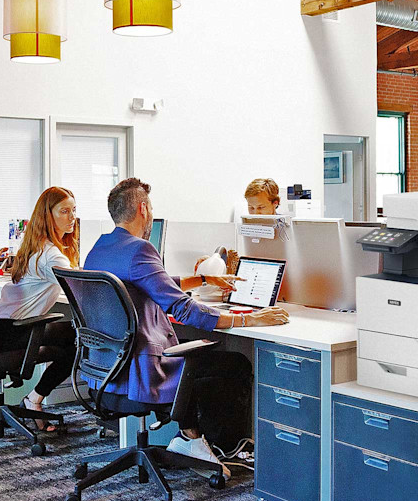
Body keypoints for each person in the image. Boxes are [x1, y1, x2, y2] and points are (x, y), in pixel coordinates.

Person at [85, 178, 289, 475]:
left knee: (206, 360)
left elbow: (152, 284)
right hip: (142, 370)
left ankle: (191, 437)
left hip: (108, 367)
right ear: (143, 209)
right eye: (151, 208)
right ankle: (212, 443)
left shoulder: (99, 249)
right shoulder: (139, 249)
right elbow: (183, 309)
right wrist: (251, 318)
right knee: (233, 363)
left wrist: (203, 280)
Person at [0, 187, 81, 433]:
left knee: (70, 339)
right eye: (64, 211)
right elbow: (83, 290)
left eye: (73, 210)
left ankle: (35, 399)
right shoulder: (51, 256)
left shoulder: (35, 246)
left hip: (0, 328)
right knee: (80, 340)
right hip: (15, 331)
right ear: (47, 215)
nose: (72, 217)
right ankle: (35, 399)